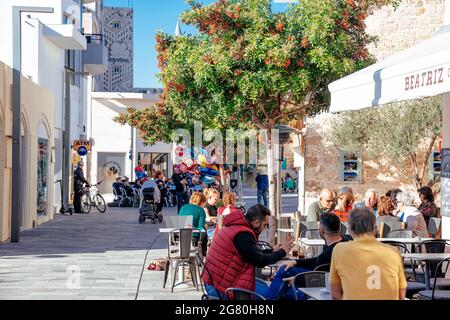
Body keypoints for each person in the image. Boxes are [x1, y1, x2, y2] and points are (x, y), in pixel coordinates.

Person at [202, 205, 294, 299]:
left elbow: (251, 253)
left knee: (271, 288)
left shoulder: (237, 227)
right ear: (256, 223)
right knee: (274, 294)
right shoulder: (242, 234)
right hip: (220, 287)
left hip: (219, 280)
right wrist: (283, 252)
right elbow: (259, 260)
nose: (265, 228)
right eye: (265, 225)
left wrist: (273, 250)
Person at [266, 212, 350, 300]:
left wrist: (295, 279)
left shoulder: (327, 254)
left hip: (322, 282)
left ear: (321, 230)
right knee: (284, 284)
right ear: (339, 228)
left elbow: (316, 276)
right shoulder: (346, 240)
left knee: (284, 272)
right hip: (334, 280)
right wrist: (295, 262)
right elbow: (317, 261)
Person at [330, 207, 407, 300]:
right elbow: (401, 293)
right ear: (375, 229)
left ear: (349, 229)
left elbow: (335, 293)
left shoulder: (339, 250)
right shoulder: (393, 252)